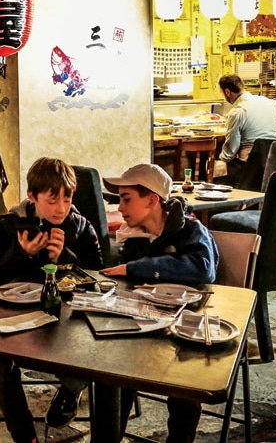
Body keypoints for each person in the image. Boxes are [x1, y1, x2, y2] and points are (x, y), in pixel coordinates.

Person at [0, 158, 103, 443]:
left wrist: (65, 259)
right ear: (32, 197)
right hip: (18, 315)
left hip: (68, 319)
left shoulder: (81, 226)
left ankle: (71, 390)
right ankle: (25, 436)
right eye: (52, 200)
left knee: (99, 349)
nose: (61, 208)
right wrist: (20, 253)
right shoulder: (12, 224)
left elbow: (98, 279)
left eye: (67, 198)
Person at [100, 163, 219, 443]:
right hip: (141, 325)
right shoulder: (133, 237)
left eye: (126, 199)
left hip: (186, 328)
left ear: (152, 200)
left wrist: (138, 268)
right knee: (109, 370)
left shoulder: (190, 229)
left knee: (183, 379)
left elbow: (203, 269)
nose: (120, 208)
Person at [217, 74, 276, 184]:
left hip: (250, 165)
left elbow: (231, 150)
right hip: (274, 160)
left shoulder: (237, 111)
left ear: (227, 92)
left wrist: (219, 160)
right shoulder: (268, 102)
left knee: (217, 169)